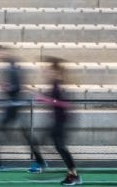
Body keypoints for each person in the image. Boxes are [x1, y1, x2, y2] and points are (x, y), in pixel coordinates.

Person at [0, 46, 46, 173]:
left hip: (15, 105)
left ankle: (39, 161)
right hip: (12, 105)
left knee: (21, 134)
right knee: (5, 131)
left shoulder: (13, 67)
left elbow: (18, 87)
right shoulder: (10, 66)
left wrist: (6, 87)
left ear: (3, 52)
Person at [36, 57, 81, 186]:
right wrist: (44, 98)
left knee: (61, 147)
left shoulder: (60, 84)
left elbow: (65, 104)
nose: (46, 72)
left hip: (61, 120)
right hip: (57, 120)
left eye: (49, 70)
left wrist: (47, 100)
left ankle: (73, 174)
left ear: (55, 71)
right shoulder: (55, 84)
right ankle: (72, 173)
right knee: (58, 146)